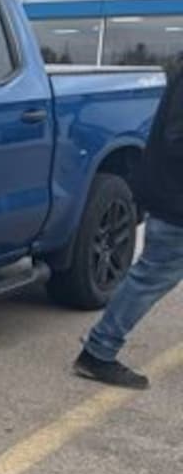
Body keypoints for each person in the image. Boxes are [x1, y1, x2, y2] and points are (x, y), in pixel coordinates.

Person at [74, 65, 183, 389]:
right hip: (175, 198)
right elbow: (177, 139)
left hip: (171, 192)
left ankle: (100, 346)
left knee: (151, 275)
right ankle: (98, 351)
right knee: (151, 276)